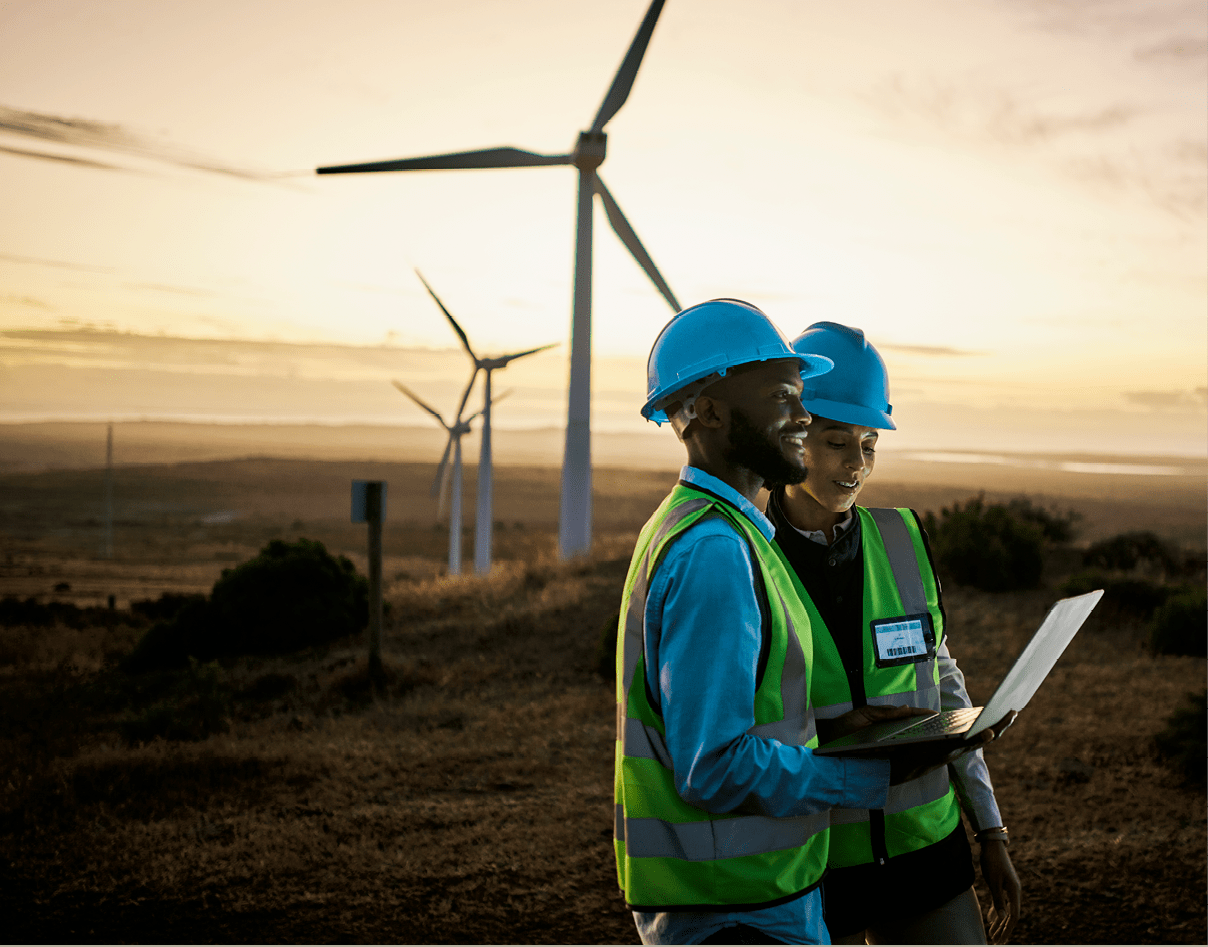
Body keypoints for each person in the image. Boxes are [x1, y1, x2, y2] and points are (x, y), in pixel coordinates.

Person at [613, 300, 995, 946]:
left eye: (799, 397)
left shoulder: (732, 536)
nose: (798, 414)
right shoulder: (716, 550)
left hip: (772, 889)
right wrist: (860, 775)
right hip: (735, 907)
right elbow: (713, 765)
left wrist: (837, 730)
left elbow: (745, 719)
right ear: (709, 413)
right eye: (783, 397)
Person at [764, 321, 1023, 945]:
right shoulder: (746, 555)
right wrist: (830, 733)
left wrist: (990, 830)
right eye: (836, 441)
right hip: (812, 863)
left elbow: (945, 686)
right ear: (792, 436)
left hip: (926, 853)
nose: (856, 464)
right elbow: (731, 730)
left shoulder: (903, 539)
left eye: (869, 443)